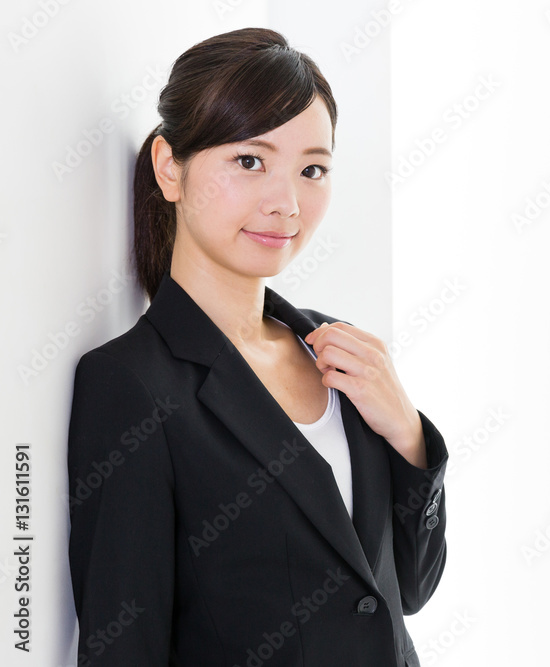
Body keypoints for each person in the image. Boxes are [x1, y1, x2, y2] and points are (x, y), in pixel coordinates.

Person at [66, 27, 448, 667]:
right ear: (170, 168)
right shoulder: (133, 384)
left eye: (313, 169)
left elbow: (410, 589)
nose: (287, 203)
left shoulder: (340, 352)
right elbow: (122, 645)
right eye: (250, 161)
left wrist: (407, 435)